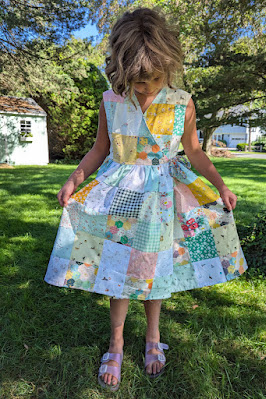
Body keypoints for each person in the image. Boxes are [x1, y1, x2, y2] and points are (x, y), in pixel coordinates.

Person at [44, 7, 248, 392]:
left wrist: (220, 185)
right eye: (138, 82)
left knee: (155, 271)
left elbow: (195, 151)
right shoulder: (111, 100)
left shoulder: (182, 102)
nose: (146, 88)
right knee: (118, 271)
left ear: (168, 66)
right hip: (120, 197)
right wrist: (75, 178)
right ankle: (117, 342)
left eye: (154, 79)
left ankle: (153, 336)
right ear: (121, 70)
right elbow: (99, 150)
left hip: (163, 201)